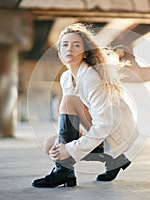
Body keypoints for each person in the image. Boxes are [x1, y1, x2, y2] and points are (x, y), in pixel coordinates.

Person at [31, 23, 139, 188]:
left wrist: (70, 149)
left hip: (115, 131)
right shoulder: (66, 77)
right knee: (50, 145)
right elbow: (75, 118)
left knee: (69, 101)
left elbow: (104, 124)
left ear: (85, 51)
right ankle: (108, 162)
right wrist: (66, 146)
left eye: (76, 45)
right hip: (98, 126)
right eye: (65, 45)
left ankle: (62, 171)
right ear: (59, 51)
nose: (70, 49)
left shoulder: (91, 77)